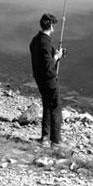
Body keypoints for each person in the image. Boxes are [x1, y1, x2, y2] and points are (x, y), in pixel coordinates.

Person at [29, 13, 64, 147]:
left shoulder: (35, 40)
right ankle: (56, 141)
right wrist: (56, 57)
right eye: (53, 25)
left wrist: (56, 56)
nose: (54, 28)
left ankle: (45, 137)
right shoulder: (45, 42)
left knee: (47, 106)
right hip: (48, 79)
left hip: (39, 79)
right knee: (55, 107)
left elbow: (42, 61)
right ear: (50, 25)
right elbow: (48, 65)